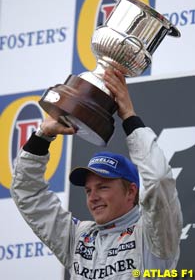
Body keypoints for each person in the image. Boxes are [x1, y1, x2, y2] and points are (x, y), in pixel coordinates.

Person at [11, 69, 183, 279]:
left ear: (131, 191)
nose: (93, 197)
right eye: (88, 190)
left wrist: (129, 117)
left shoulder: (153, 237)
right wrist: (42, 136)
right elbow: (28, 195)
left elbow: (158, 181)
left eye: (102, 187)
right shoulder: (77, 237)